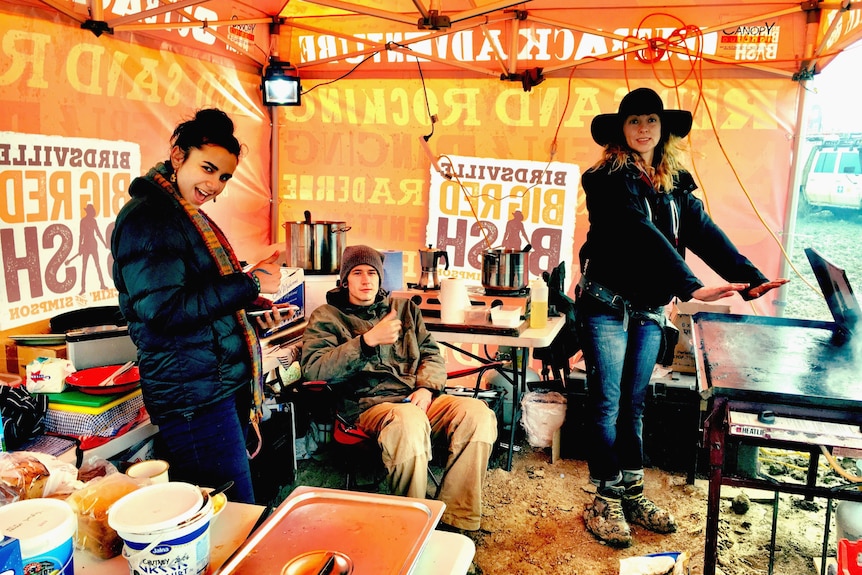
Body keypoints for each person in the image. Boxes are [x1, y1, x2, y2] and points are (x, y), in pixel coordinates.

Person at [576, 87, 787, 546]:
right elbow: (641, 234)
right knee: (607, 403)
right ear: (622, 129)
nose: (643, 129)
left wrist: (747, 277)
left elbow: (703, 230)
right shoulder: (607, 179)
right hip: (606, 305)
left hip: (648, 309)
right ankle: (604, 497)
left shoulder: (673, 181)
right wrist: (691, 285)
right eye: (634, 121)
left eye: (651, 120)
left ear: (662, 128)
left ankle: (630, 488)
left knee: (634, 403)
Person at [111, 108, 290, 504]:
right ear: (178, 156)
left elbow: (198, 300)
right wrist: (249, 283)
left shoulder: (184, 215)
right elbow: (164, 311)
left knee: (234, 510)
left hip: (215, 387)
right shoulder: (150, 218)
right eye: (208, 169)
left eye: (224, 177)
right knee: (230, 512)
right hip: (193, 398)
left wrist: (253, 308)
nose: (216, 185)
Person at [300, 245, 498, 532]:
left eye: (372, 273)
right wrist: (366, 342)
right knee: (409, 421)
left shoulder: (404, 310)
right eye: (357, 273)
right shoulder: (327, 317)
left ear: (381, 278)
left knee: (477, 414)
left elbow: (431, 353)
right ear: (344, 280)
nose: (366, 280)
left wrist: (427, 388)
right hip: (368, 406)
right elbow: (314, 370)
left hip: (417, 398)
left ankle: (457, 520)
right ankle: (411, 527)